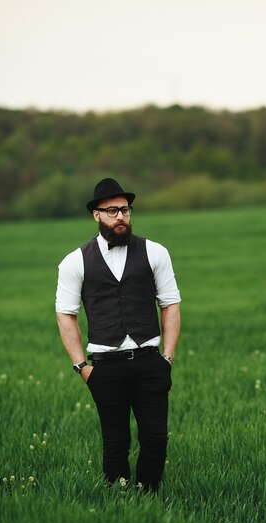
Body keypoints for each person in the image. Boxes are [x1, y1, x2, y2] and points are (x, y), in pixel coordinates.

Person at [55, 177, 181, 493]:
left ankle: (148, 495)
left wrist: (167, 358)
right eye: (111, 211)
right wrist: (82, 367)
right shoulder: (75, 261)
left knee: (155, 438)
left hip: (150, 360)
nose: (120, 216)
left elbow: (171, 304)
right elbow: (66, 315)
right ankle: (119, 500)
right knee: (115, 442)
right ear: (96, 215)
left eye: (124, 209)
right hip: (104, 366)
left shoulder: (155, 252)